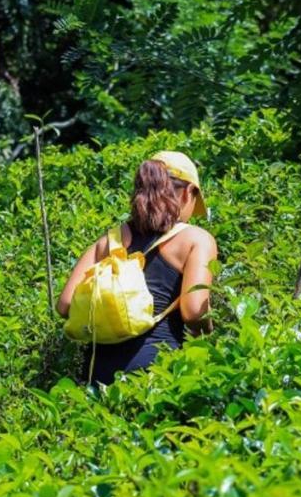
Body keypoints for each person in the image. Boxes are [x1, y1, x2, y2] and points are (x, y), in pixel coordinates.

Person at [56, 151, 219, 386]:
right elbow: (194, 312)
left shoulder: (109, 240)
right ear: (188, 192)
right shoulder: (196, 239)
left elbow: (65, 305)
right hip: (157, 372)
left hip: (96, 371)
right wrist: (211, 337)